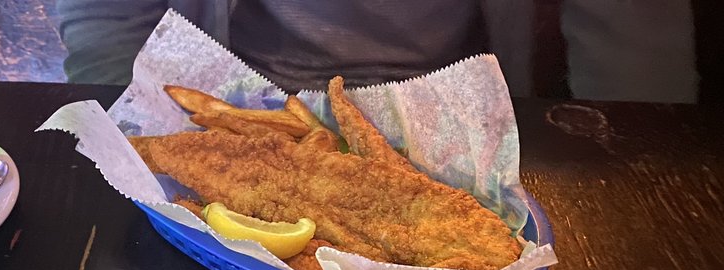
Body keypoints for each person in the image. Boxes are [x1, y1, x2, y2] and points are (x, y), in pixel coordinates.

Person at [52, 0, 697, 103]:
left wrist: (641, 166)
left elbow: (635, 25)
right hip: (235, 102)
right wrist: (127, 122)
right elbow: (107, 17)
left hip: (461, 109)